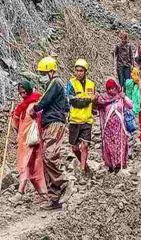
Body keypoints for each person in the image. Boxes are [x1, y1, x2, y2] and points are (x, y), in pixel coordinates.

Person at [29, 56, 69, 208]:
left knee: (50, 156)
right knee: (47, 158)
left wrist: (35, 108)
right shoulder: (57, 84)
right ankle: (54, 197)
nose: (43, 75)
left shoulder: (55, 82)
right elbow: (65, 106)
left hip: (54, 122)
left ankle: (64, 183)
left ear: (51, 71)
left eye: (44, 72)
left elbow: (44, 101)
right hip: (52, 122)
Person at [9, 81, 48, 204]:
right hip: (30, 140)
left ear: (29, 89)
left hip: (30, 141)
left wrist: (14, 117)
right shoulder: (31, 104)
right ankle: (43, 193)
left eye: (24, 92)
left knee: (28, 165)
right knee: (33, 165)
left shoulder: (32, 105)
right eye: (20, 92)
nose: (22, 94)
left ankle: (20, 193)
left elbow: (16, 126)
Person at [65, 59, 95, 178]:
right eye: (77, 70)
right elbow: (73, 101)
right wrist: (88, 100)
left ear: (85, 71)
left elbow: (94, 100)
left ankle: (82, 169)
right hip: (75, 119)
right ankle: (85, 164)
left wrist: (94, 105)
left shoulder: (91, 84)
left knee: (85, 145)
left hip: (87, 119)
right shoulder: (70, 84)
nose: (78, 73)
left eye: (81, 71)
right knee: (74, 148)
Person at [96, 77, 133, 173]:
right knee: (109, 146)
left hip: (119, 127)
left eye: (113, 88)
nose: (111, 90)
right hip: (108, 127)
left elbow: (130, 105)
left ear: (117, 87)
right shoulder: (103, 98)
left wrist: (124, 96)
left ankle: (119, 164)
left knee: (119, 145)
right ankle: (111, 165)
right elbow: (98, 109)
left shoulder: (120, 97)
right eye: (109, 89)